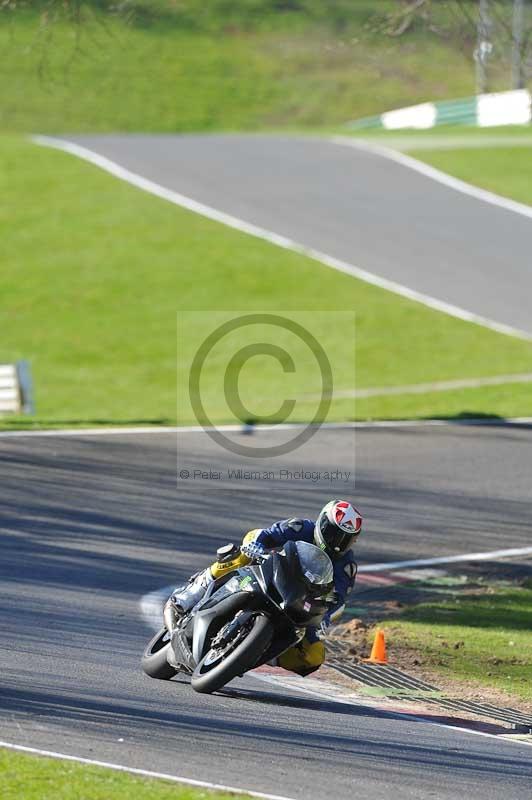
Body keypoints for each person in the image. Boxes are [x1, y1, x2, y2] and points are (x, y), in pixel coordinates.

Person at [170, 499, 363, 676]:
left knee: (314, 655)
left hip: (298, 601)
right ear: (322, 523)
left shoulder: (346, 566)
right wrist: (257, 545)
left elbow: (338, 599)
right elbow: (266, 535)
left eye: (345, 538)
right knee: (242, 553)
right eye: (333, 533)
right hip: (270, 573)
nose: (337, 543)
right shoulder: (300, 527)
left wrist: (324, 617)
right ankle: (194, 591)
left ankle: (259, 651)